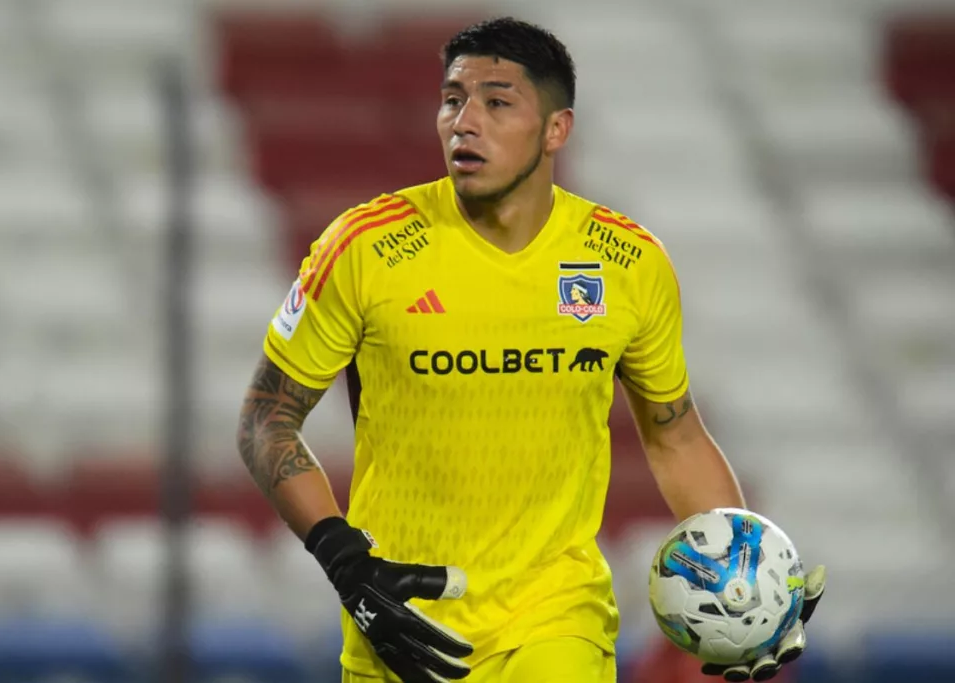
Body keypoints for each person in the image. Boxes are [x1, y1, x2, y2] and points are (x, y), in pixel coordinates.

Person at [237, 17, 825, 683]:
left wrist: (755, 587)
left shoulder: (626, 262)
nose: (464, 121)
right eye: (452, 98)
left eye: (496, 102)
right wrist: (344, 558)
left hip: (558, 617)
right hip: (403, 622)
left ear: (556, 130)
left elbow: (676, 438)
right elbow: (266, 418)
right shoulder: (365, 248)